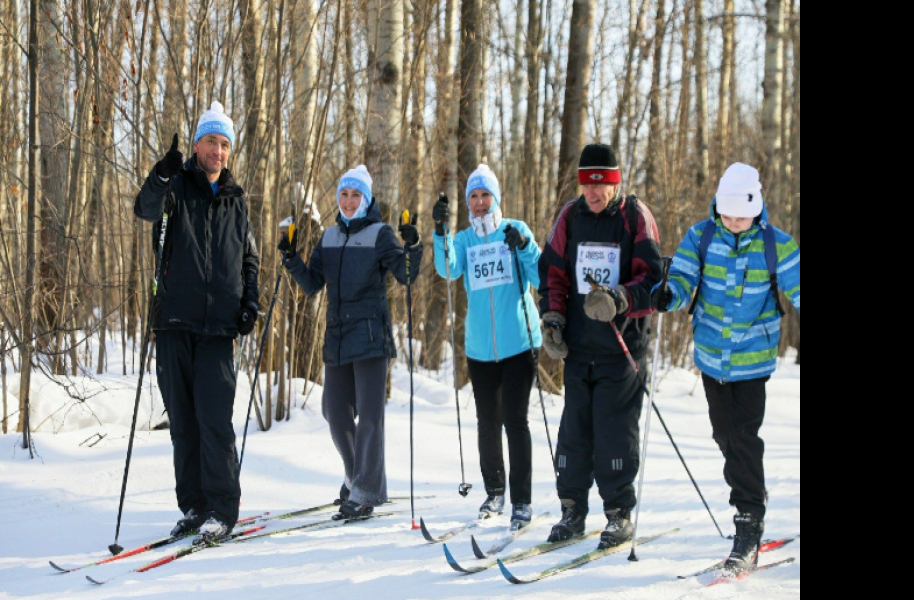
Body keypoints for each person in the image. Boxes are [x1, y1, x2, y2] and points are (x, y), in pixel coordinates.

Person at [652, 162, 800, 570]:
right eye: (727, 213)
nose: (734, 222)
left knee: (743, 436)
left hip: (753, 360)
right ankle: (751, 489)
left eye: (742, 215)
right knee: (724, 435)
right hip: (711, 357)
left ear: (757, 208)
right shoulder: (702, 237)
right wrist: (669, 294)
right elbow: (681, 277)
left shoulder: (776, 245)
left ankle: (748, 519)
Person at [134, 101, 260, 542]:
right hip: (173, 321)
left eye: (225, 144)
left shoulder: (236, 200)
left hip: (219, 329)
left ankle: (223, 509)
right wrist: (161, 172)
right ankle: (194, 506)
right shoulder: (175, 188)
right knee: (183, 424)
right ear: (196, 145)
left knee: (214, 421)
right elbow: (144, 208)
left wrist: (250, 302)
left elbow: (248, 258)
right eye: (212, 141)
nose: (218, 151)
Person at [278, 165, 423, 519]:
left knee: (371, 418)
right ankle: (357, 476)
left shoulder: (380, 234)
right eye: (343, 194)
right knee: (335, 412)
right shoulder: (329, 237)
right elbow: (313, 284)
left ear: (366, 199)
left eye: (355, 195)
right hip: (338, 339)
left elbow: (405, 275)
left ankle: (364, 492)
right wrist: (290, 258)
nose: (347, 201)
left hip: (371, 338)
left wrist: (413, 244)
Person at [537, 143, 662, 549]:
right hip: (577, 349)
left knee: (614, 431)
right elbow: (553, 275)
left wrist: (620, 299)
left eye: (600, 185)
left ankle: (618, 513)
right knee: (574, 431)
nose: (592, 193)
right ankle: (572, 509)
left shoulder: (634, 218)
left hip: (620, 348)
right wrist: (554, 319)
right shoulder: (570, 218)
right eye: (587, 185)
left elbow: (653, 280)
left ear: (615, 182)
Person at [431, 165, 542, 529]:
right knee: (488, 422)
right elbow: (448, 270)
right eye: (473, 197)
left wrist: (523, 247)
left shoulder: (515, 230)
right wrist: (440, 233)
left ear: (495, 197)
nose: (479, 203)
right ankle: (495, 491)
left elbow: (540, 275)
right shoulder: (464, 240)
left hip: (518, 343)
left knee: (515, 420)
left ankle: (521, 501)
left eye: (485, 195)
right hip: (480, 348)